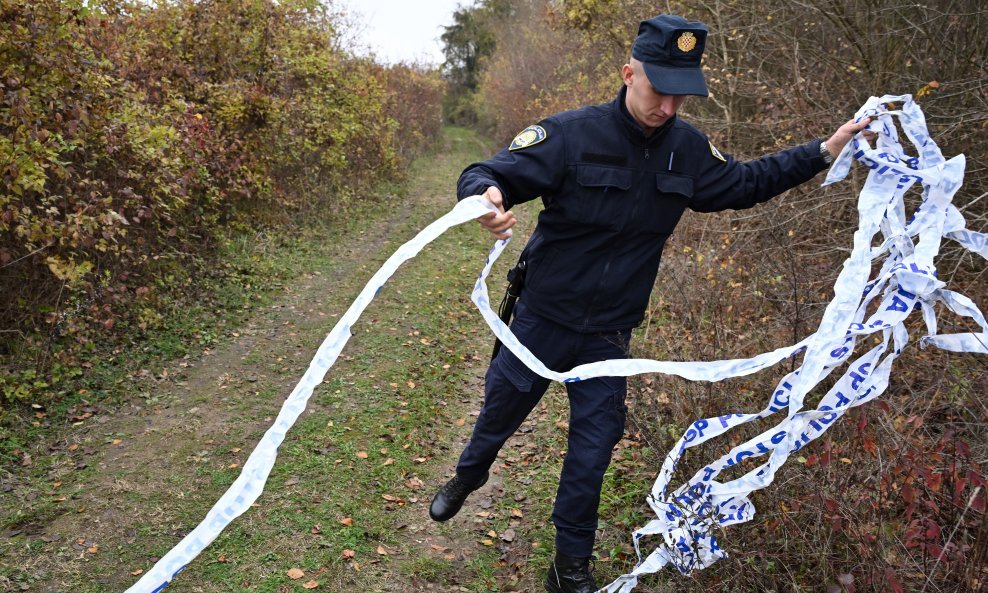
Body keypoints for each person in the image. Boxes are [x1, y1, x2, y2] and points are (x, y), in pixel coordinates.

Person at [430, 14, 870, 593]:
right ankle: (469, 474)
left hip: (609, 335)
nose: (668, 105)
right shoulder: (569, 135)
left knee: (592, 454)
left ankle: (569, 567)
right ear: (627, 72)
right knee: (498, 416)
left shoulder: (687, 151)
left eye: (680, 94)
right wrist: (483, 198)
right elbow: (487, 171)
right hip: (541, 319)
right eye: (658, 89)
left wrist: (823, 151)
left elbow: (745, 184)